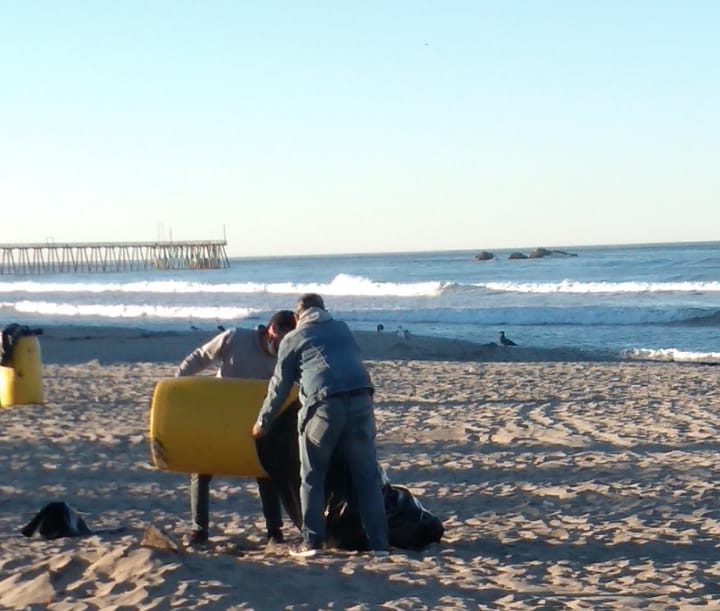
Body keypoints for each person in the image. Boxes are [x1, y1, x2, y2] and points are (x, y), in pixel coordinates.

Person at [252, 293, 389, 558]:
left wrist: (262, 422)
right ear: (324, 310)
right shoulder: (342, 329)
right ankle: (380, 546)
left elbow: (278, 387)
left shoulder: (293, 338)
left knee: (312, 476)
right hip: (362, 401)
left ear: (296, 317)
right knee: (367, 479)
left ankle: (311, 542)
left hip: (325, 407)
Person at [175, 310, 297, 546]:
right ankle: (199, 531)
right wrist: (177, 384)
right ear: (271, 331)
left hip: (258, 421)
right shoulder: (235, 338)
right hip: (221, 415)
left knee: (266, 472)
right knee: (200, 469)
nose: (284, 346)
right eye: (283, 339)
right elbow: (201, 356)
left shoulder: (288, 356)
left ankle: (274, 533)